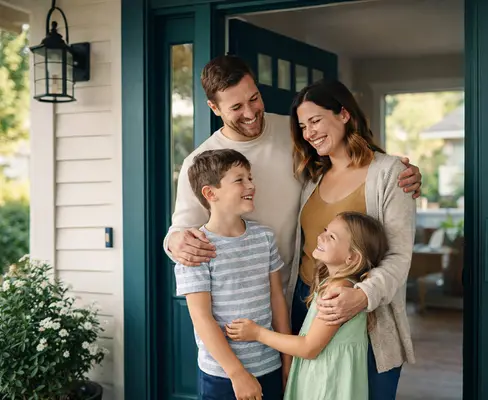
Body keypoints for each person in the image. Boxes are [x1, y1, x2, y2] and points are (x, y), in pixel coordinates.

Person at [163, 55, 423, 302]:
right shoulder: (200, 162)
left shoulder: (295, 131)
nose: (251, 113)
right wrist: (174, 241)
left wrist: (397, 173)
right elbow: (181, 229)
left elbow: (345, 157)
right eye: (236, 107)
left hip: (297, 289)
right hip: (241, 298)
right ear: (214, 107)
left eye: (254, 98)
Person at [286, 78, 416, 400]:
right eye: (303, 126)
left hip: (368, 313)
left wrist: (361, 296)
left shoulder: (390, 173)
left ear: (344, 114)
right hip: (307, 304)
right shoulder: (310, 178)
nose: (309, 132)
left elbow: (399, 256)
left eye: (316, 120)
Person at [226, 212, 389, 400]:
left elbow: (308, 348)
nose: (321, 236)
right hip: (324, 378)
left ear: (352, 258)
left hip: (327, 385)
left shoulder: (338, 293)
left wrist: (257, 333)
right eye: (326, 230)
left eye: (332, 236)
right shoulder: (332, 284)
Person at [173, 149, 291, 400]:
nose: (251, 185)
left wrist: (287, 360)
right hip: (223, 375)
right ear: (210, 193)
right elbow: (202, 318)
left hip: (270, 365)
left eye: (250, 177)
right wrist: (238, 374)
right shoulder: (195, 250)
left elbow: (276, 298)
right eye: (239, 179)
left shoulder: (264, 237)